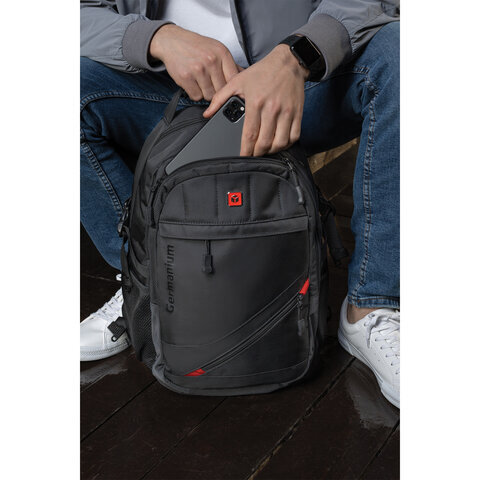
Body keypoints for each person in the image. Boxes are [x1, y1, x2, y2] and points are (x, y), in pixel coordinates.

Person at [80, 0, 400, 408]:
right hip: (162, 89)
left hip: (301, 84)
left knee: (401, 54)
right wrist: (156, 38)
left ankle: (370, 307)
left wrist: (295, 57)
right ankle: (142, 284)